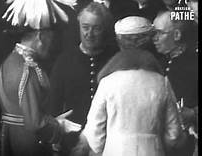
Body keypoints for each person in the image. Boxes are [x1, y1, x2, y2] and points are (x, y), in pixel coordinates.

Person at [0, 0, 81, 156]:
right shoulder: (28, 69)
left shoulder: (10, 61)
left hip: (11, 139)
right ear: (40, 36)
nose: (52, 44)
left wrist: (53, 120)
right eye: (52, 39)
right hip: (30, 145)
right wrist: (59, 126)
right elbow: (35, 124)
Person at [71, 49, 185, 156]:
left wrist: (99, 150)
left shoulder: (108, 82)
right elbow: (174, 134)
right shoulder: (161, 82)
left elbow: (94, 131)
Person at [46, 2, 118, 155]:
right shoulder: (64, 61)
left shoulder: (115, 60)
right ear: (79, 26)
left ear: (105, 29)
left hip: (109, 139)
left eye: (96, 28)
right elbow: (54, 105)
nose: (89, 34)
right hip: (72, 141)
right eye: (85, 27)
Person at [153, 10, 198, 156]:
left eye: (160, 33)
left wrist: (192, 113)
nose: (155, 38)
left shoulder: (195, 63)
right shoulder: (157, 63)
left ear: (177, 35)